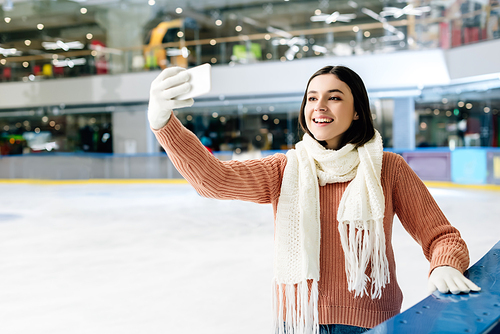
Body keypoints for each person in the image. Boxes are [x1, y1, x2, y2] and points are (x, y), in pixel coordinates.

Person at [147, 66, 481, 334]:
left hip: (372, 323)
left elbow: (442, 237)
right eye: (311, 98)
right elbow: (214, 180)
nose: (319, 106)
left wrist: (445, 264)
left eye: (334, 97)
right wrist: (163, 123)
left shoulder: (387, 168)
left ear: (357, 113)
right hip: (298, 322)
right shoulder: (284, 169)